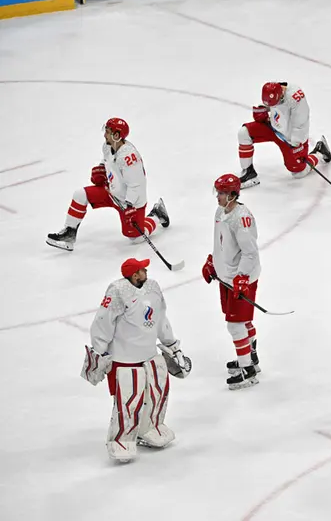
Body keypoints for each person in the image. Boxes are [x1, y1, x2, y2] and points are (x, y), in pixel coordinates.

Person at [81, 258, 191, 462]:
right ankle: (122, 440)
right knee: (128, 402)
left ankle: (151, 427)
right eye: (142, 269)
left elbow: (161, 319)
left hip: (150, 357)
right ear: (134, 275)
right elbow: (103, 323)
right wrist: (99, 352)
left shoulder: (153, 288)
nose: (146, 270)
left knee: (157, 395)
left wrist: (172, 345)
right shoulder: (117, 292)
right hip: (125, 361)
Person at [47, 118, 170, 252]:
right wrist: (101, 169)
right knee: (80, 195)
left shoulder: (129, 157)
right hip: (112, 193)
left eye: (107, 131)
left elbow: (136, 185)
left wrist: (129, 205)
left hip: (131, 202)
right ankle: (69, 234)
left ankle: (156, 215)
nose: (104, 134)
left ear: (116, 135)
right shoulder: (107, 146)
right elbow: (107, 161)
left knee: (135, 237)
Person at [202, 174, 261, 390]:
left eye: (222, 193)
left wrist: (243, 277)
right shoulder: (221, 211)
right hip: (227, 276)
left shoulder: (241, 218)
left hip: (240, 278)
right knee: (242, 322)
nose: (218, 196)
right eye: (217, 192)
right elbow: (221, 243)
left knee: (234, 325)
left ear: (233, 194)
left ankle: (247, 370)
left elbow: (250, 253)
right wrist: (213, 260)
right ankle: (251, 357)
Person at [238, 82, 331, 189]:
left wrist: (296, 144)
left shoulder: (296, 98)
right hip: (273, 127)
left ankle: (319, 152)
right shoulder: (272, 91)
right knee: (244, 133)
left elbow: (301, 124)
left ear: (281, 94)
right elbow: (270, 104)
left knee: (298, 172)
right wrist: (262, 110)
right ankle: (248, 173)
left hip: (289, 139)